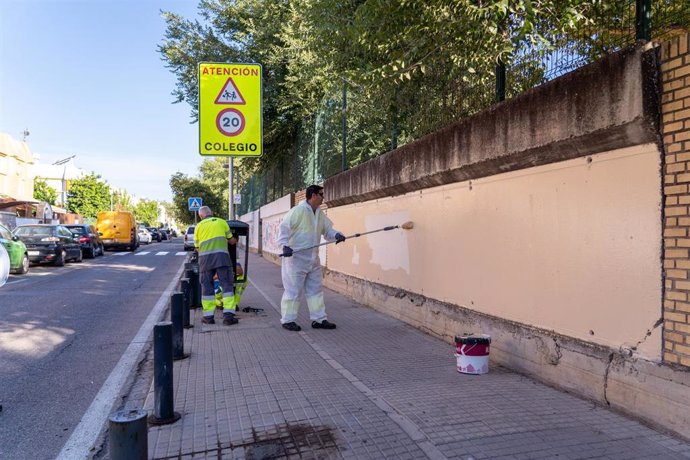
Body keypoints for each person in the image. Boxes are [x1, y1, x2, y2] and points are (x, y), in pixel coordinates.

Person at [278, 184, 346, 331]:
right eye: (321, 194)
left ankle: (319, 319)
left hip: (313, 259)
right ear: (314, 195)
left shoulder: (319, 213)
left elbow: (327, 230)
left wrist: (336, 235)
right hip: (295, 259)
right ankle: (288, 320)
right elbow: (284, 227)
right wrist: (284, 246)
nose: (323, 197)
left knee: (315, 291)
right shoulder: (298, 211)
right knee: (293, 291)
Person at [194, 205, 238, 325]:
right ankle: (228, 317)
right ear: (211, 212)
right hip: (222, 259)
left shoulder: (198, 226)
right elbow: (231, 240)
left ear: (200, 216)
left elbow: (197, 247)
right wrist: (236, 240)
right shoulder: (222, 222)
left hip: (205, 261)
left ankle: (208, 318)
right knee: (227, 285)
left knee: (207, 287)